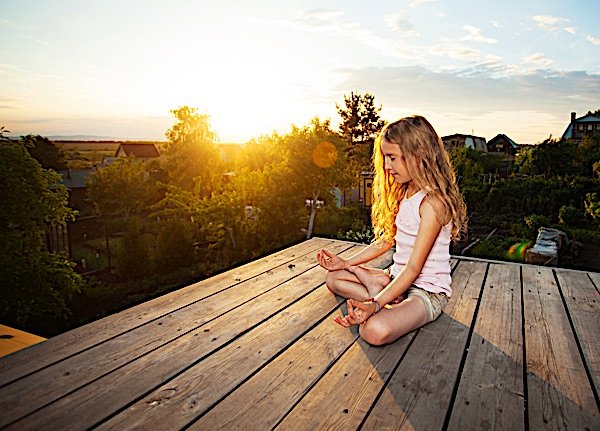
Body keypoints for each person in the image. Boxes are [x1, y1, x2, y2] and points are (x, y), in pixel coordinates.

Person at [316, 115, 467, 345]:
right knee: (333, 278)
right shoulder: (404, 192)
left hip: (425, 293)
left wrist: (375, 305)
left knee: (373, 330)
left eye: (392, 158)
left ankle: (378, 292)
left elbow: (414, 269)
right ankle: (381, 288)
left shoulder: (433, 204)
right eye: (386, 158)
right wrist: (346, 263)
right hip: (396, 277)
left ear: (419, 155)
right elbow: (385, 242)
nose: (387, 166)